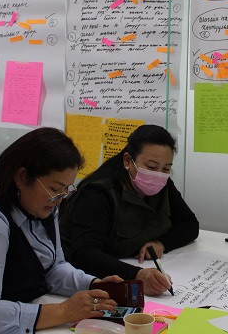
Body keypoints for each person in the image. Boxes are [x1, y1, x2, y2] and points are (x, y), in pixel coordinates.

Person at [0, 128, 120, 334]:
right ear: (21, 177)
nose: (59, 199)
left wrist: (93, 285)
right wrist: (64, 311)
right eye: (55, 189)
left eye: (66, 189)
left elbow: (52, 268)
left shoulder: (41, 206)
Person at [60, 124, 199, 295]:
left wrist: (162, 243)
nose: (158, 175)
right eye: (151, 167)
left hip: (142, 265)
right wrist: (137, 275)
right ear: (127, 161)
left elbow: (190, 224)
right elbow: (85, 254)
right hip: (90, 281)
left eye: (166, 168)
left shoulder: (163, 185)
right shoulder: (97, 193)